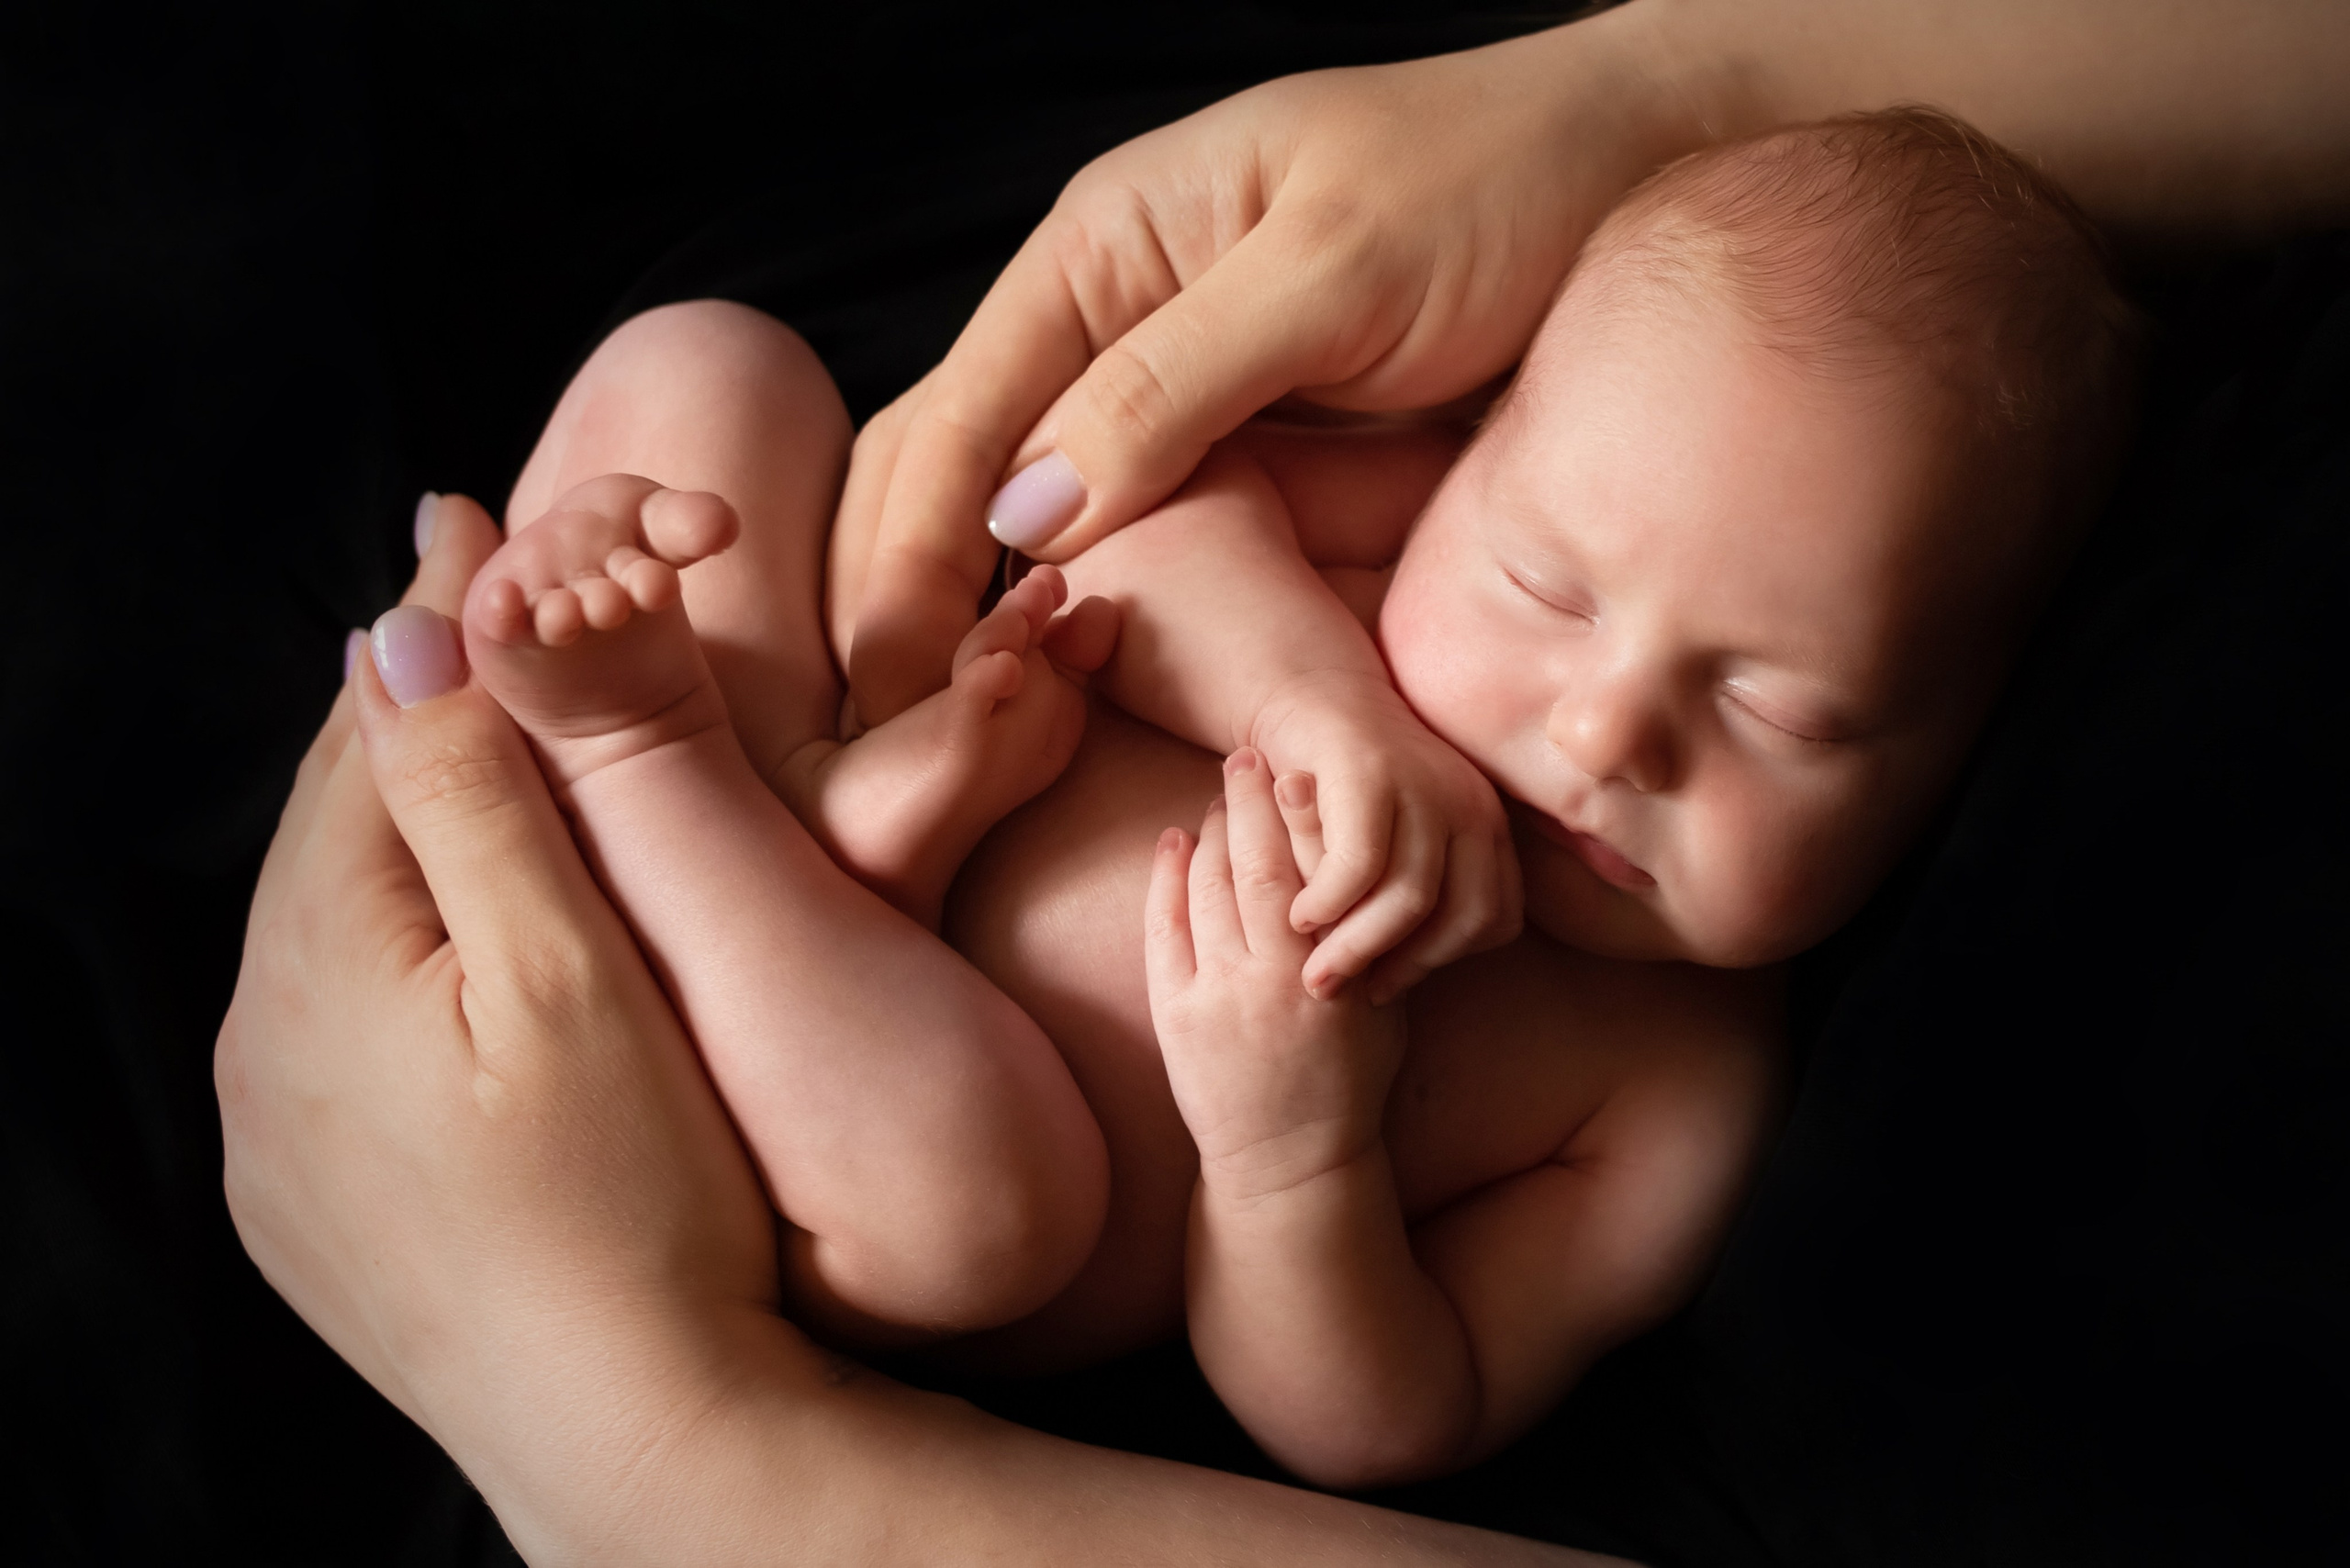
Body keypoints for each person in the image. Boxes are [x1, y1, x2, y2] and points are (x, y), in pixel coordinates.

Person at [218, 0, 2350, 1559]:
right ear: (1470, 451)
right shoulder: (1379, 553)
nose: (1604, 724)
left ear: (1965, 731)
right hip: (812, 827)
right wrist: (1320, 700)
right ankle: (726, 761)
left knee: (991, 1195)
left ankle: (651, 756)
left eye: (1785, 713)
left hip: (839, 1182)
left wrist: (1288, 1155)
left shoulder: (1672, 1082)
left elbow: (1386, 1414)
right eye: (1538, 579)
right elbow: (1129, 525)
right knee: (713, 361)